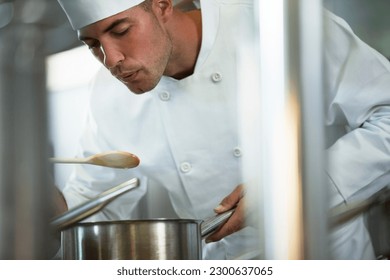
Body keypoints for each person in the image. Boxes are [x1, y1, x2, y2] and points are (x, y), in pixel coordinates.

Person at [56, 0, 390, 259]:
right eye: (91, 44)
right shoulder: (108, 93)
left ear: (163, 6)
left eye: (120, 30)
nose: (111, 59)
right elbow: (94, 199)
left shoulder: (273, 28)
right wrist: (52, 209)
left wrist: (289, 190)